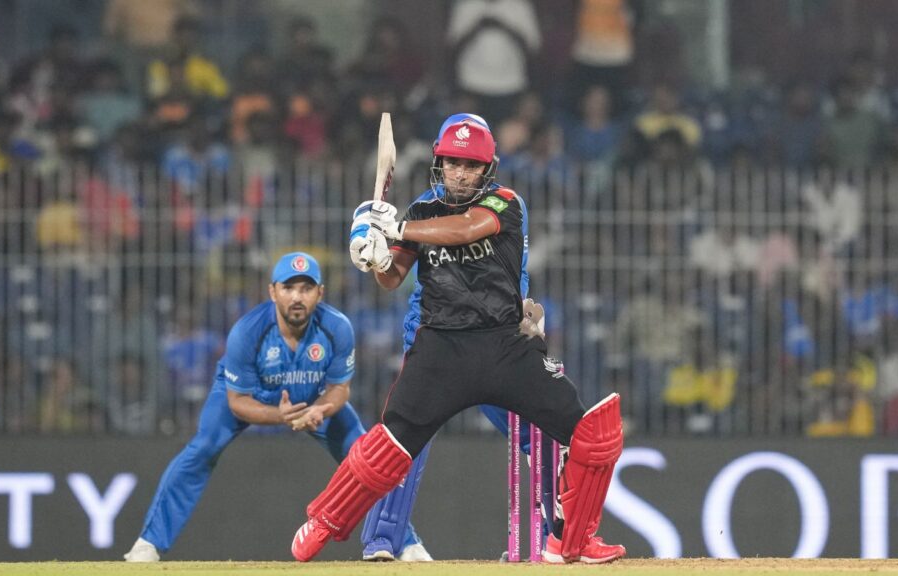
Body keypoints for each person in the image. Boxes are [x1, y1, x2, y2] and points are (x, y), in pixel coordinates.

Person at [291, 117, 626, 564]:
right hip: (441, 350)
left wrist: (394, 230)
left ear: (488, 168)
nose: (461, 173)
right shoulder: (419, 212)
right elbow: (393, 278)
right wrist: (370, 254)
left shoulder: (505, 203)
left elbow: (466, 228)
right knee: (389, 446)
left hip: (506, 345)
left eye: (471, 165)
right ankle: (324, 520)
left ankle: (572, 541)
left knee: (592, 434)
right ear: (440, 162)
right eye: (453, 163)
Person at [125, 252, 431, 561]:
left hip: (312, 399)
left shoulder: (337, 328)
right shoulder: (247, 332)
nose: (297, 297)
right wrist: (279, 416)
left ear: (320, 293)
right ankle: (147, 544)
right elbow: (237, 403)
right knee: (202, 449)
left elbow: (339, 390)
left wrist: (319, 410)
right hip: (252, 395)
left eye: (306, 288)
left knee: (367, 458)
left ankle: (403, 542)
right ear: (272, 292)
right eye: (289, 288)